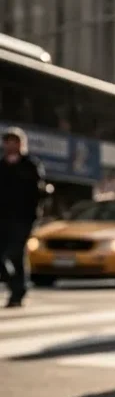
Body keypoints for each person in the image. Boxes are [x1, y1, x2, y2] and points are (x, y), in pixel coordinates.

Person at [0, 127, 45, 308]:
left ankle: (18, 292)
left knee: (15, 254)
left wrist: (34, 213)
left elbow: (37, 192)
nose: (10, 145)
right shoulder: (1, 165)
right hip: (2, 218)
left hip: (23, 218)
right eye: (7, 142)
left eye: (14, 142)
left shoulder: (30, 165)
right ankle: (13, 283)